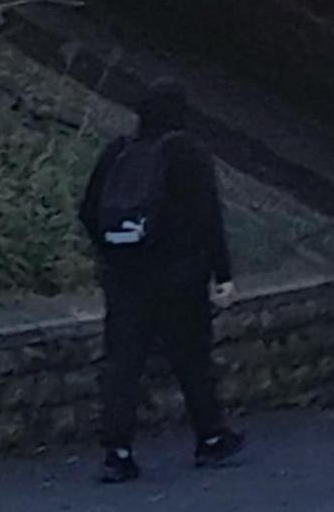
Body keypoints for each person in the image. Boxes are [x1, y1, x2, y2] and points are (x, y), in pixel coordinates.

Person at [76, 85, 241, 483]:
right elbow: (209, 218)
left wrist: (113, 255)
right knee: (192, 359)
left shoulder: (118, 152)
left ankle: (117, 452)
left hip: (125, 278)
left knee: (123, 364)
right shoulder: (188, 153)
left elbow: (88, 210)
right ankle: (210, 436)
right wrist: (223, 275)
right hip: (180, 276)